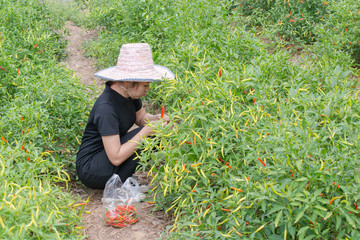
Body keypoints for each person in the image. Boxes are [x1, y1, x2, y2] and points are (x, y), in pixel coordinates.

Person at [76, 43, 174, 189]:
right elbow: (116, 157)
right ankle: (117, 182)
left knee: (156, 132)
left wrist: (155, 119)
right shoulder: (106, 108)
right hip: (92, 168)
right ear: (128, 82)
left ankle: (121, 180)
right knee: (147, 135)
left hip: (107, 157)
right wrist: (146, 131)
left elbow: (140, 118)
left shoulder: (128, 94)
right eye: (145, 85)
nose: (148, 89)